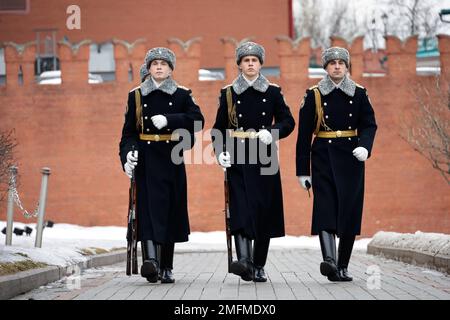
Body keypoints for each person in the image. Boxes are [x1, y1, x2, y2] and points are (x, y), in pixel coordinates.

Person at [119, 47, 204, 283]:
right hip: (145, 159)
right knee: (146, 210)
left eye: (163, 64)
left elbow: (198, 121)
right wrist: (127, 156)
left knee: (170, 212)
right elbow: (128, 134)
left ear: (170, 69)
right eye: (154, 63)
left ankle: (166, 266)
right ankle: (151, 262)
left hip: (171, 158)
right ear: (148, 68)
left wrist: (170, 119)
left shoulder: (182, 95)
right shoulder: (136, 96)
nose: (158, 67)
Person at [212, 42, 295, 282]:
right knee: (239, 210)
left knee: (262, 212)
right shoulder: (228, 93)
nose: (250, 64)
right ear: (239, 64)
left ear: (260, 64)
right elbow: (218, 129)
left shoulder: (272, 92)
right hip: (237, 156)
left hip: (264, 156)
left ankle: (259, 264)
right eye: (246, 60)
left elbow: (288, 121)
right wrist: (220, 153)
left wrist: (274, 131)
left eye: (254, 60)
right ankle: (244, 262)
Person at [295, 47, 377, 282]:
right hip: (322, 155)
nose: (337, 66)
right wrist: (302, 171)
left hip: (352, 157)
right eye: (332, 63)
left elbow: (370, 124)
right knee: (325, 207)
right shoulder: (314, 94)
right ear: (326, 67)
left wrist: (365, 146)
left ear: (347, 66)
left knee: (350, 212)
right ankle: (329, 261)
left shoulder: (359, 93)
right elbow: (303, 136)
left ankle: (343, 265)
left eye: (342, 62)